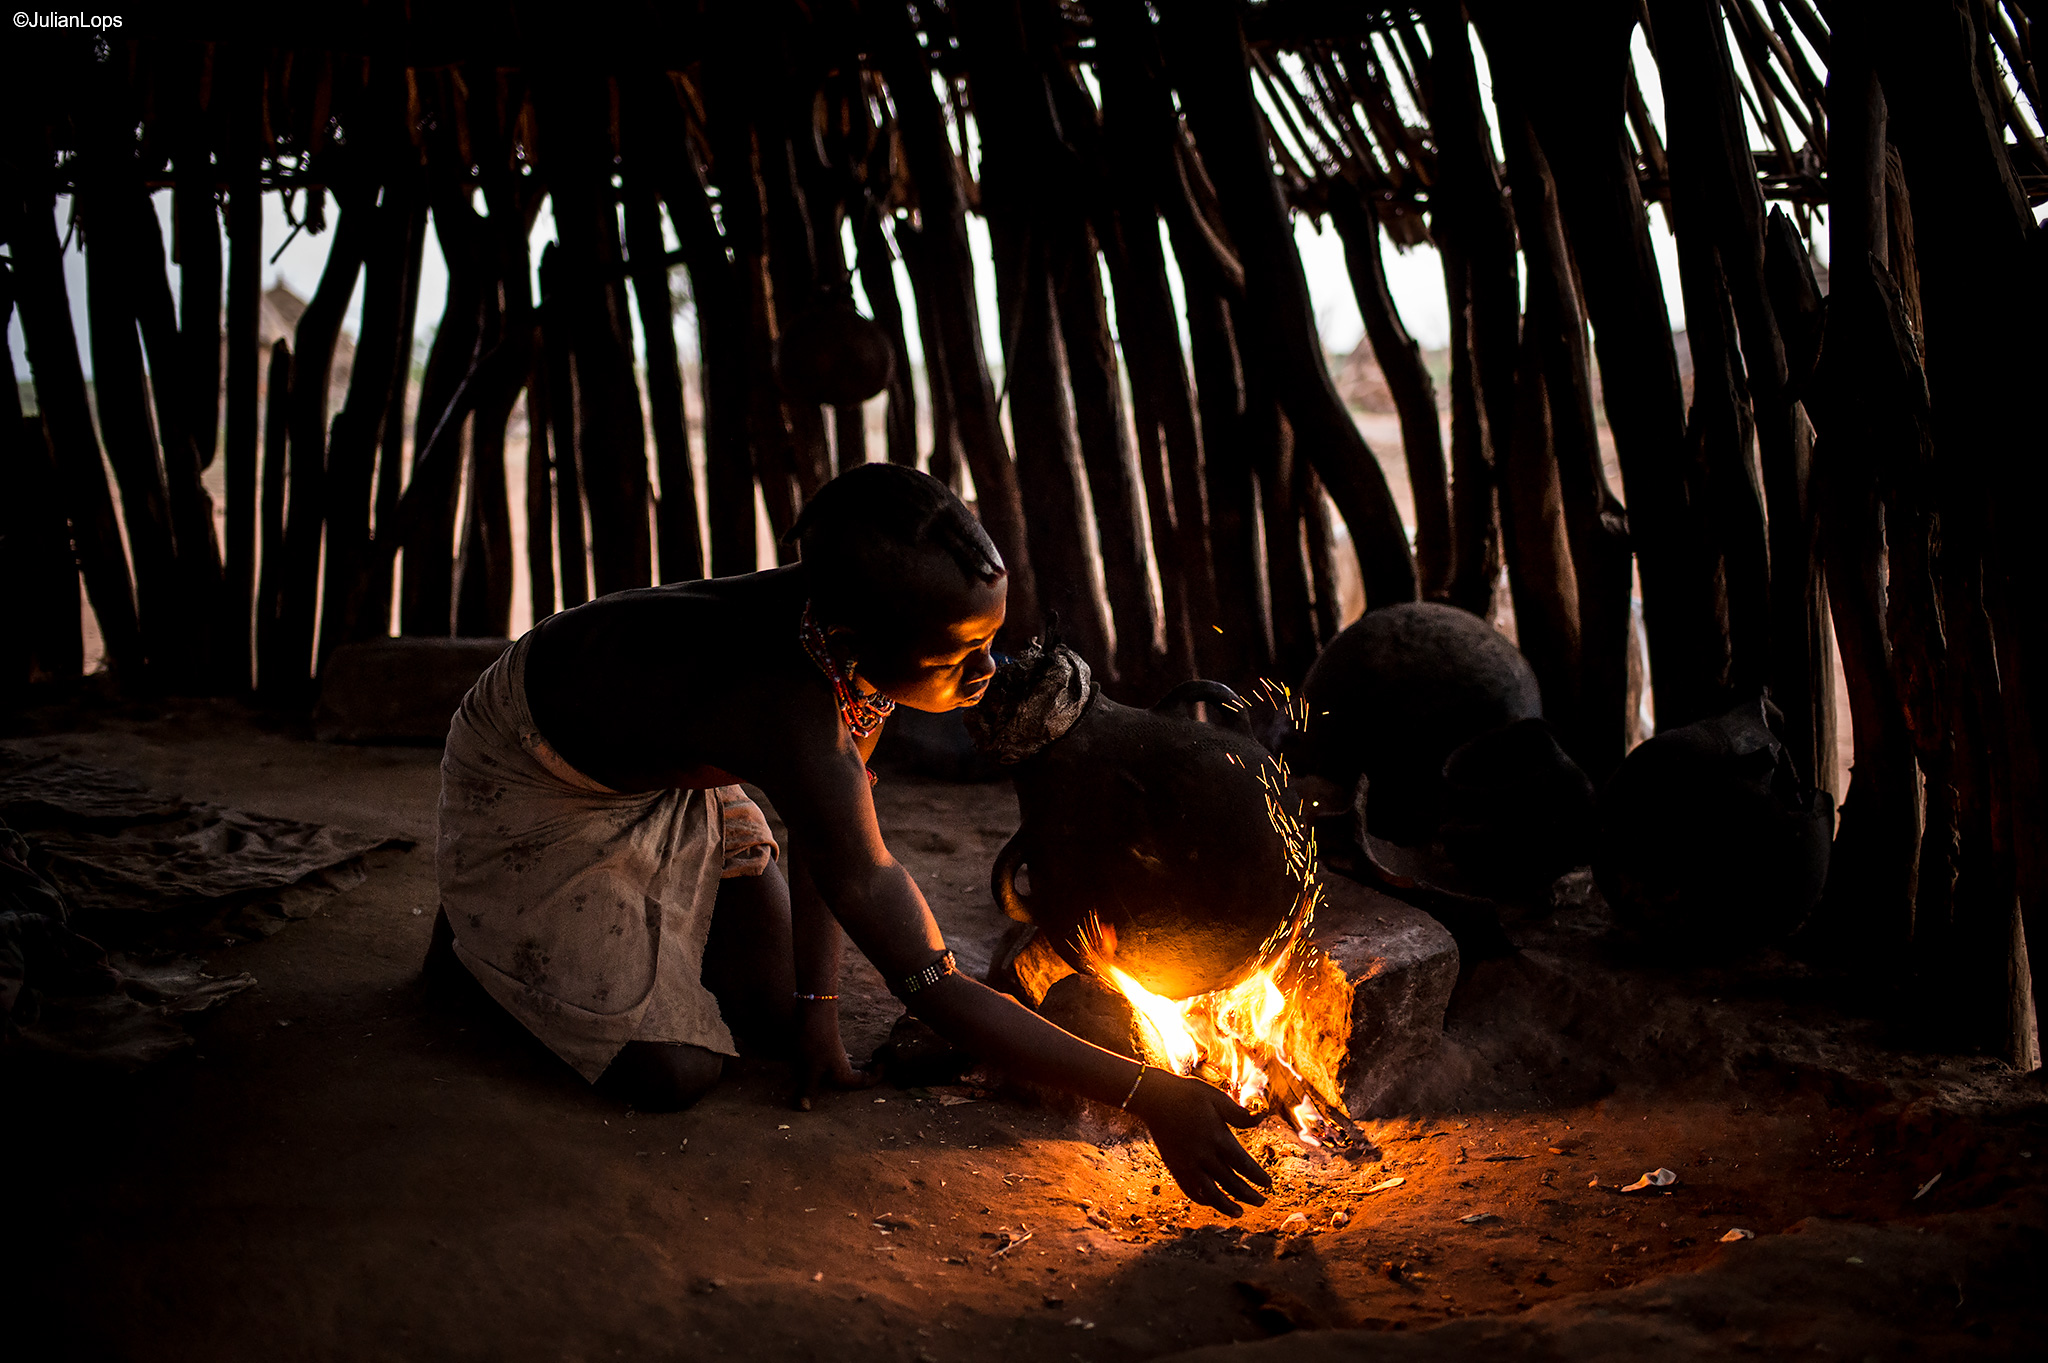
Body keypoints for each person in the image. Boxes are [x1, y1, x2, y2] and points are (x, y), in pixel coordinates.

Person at [428, 463, 1271, 1215]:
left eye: (990, 637)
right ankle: (480, 943)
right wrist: (1151, 1093)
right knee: (675, 1071)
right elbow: (930, 981)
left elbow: (827, 833)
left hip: (662, 774)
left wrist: (819, 1017)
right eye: (960, 655)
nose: (988, 671)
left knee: (777, 1011)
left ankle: (566, 937)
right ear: (855, 644)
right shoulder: (796, 708)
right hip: (538, 781)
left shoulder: (848, 623)